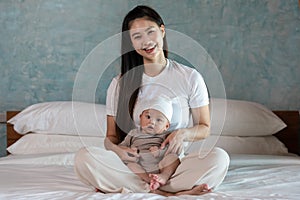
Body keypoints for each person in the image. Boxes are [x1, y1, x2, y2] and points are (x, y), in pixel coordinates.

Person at [75, 5, 230, 196]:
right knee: (85, 157)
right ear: (130, 42)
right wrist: (118, 151)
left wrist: (183, 134)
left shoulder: (190, 77)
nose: (146, 41)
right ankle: (171, 193)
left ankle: (147, 187)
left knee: (219, 158)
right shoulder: (119, 83)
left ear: (162, 31)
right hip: (135, 168)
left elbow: (204, 128)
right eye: (137, 36)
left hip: (172, 166)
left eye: (151, 32)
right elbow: (111, 137)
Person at [118, 96, 180, 191]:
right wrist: (128, 150)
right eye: (148, 117)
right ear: (140, 117)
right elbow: (121, 147)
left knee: (173, 158)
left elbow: (172, 150)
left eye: (159, 120)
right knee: (130, 165)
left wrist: (160, 152)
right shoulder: (133, 133)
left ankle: (163, 176)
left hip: (160, 164)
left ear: (166, 126)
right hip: (139, 165)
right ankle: (149, 179)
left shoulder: (166, 135)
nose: (152, 122)